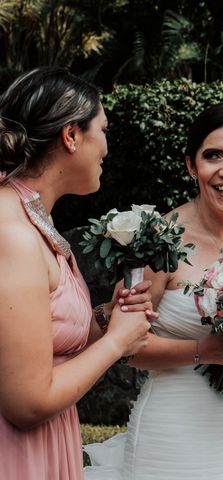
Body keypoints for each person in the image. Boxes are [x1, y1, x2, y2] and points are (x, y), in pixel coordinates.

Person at [84, 103, 223, 480]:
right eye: (213, 156)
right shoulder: (160, 239)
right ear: (191, 165)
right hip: (174, 431)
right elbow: (126, 348)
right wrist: (208, 351)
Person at [0, 67, 154, 480]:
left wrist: (107, 317)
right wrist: (118, 342)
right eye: (103, 129)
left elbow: (43, 339)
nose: (107, 146)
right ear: (71, 135)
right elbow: (28, 402)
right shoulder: (12, 233)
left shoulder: (32, 217)